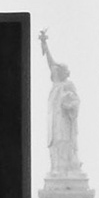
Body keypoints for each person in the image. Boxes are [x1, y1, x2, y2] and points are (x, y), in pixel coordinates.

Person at [38, 29, 82, 174]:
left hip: (65, 121)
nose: (56, 71)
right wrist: (45, 44)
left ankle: (67, 168)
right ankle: (57, 168)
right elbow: (51, 64)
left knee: (64, 142)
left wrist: (68, 104)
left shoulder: (68, 85)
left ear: (65, 73)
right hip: (55, 122)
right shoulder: (56, 85)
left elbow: (76, 101)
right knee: (55, 143)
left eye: (60, 70)